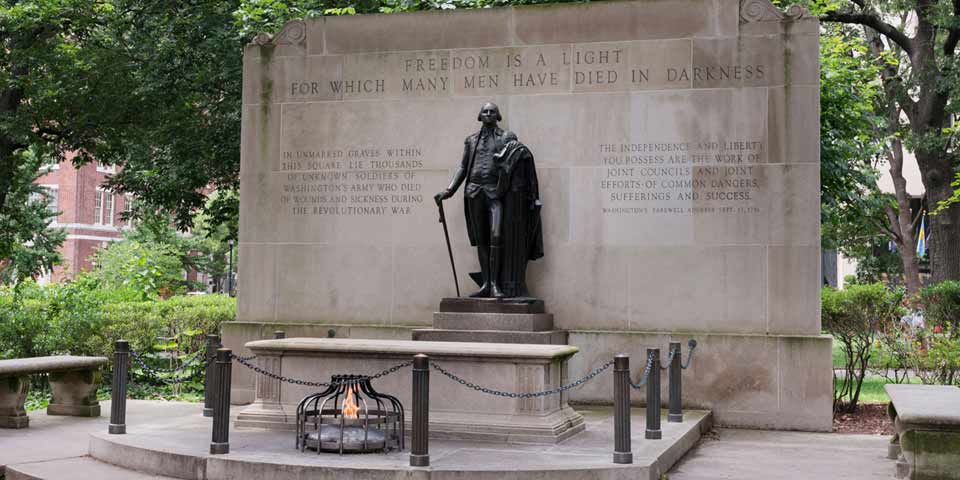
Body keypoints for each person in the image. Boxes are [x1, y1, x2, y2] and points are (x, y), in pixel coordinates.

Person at [434, 102, 543, 299]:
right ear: (480, 115)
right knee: (482, 240)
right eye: (485, 111)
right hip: (473, 192)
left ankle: (495, 284)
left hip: (495, 193)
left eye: (492, 111)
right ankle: (486, 284)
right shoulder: (471, 140)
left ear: (498, 116)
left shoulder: (505, 138)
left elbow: (516, 159)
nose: (488, 114)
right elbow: (463, 168)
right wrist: (449, 190)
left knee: (496, 236)